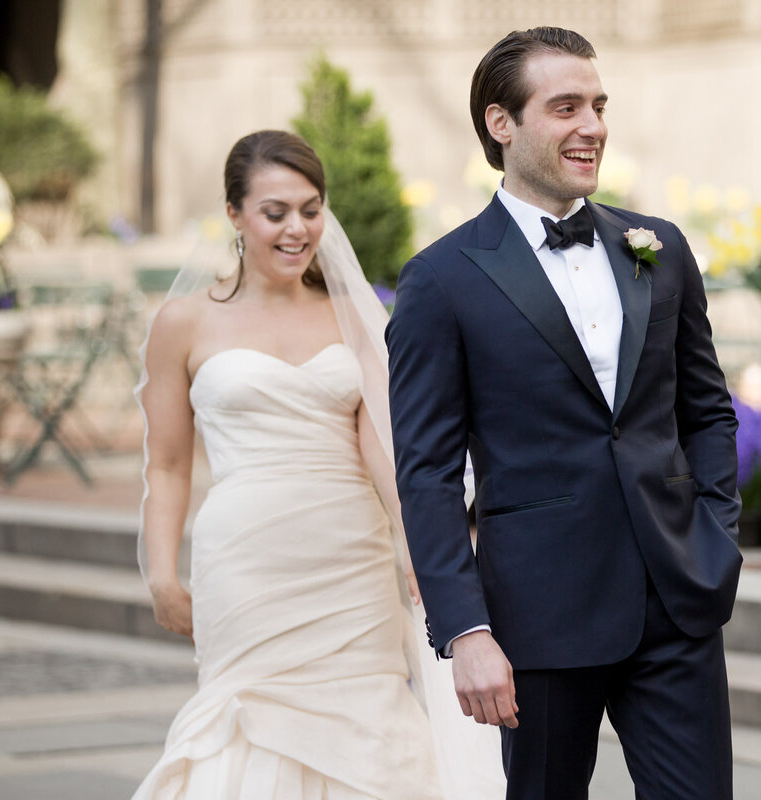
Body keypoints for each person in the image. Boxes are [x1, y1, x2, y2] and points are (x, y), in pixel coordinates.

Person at [387, 28, 742, 800]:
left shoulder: (660, 248)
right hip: (538, 618)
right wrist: (466, 630)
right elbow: (427, 473)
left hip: (676, 600)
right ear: (500, 123)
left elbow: (707, 411)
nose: (593, 126)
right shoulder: (441, 281)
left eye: (599, 105)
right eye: (566, 107)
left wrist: (716, 531)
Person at [132, 130, 503, 799]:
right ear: (235, 215)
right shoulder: (183, 324)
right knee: (245, 721)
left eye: (310, 208)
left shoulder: (351, 317)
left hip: (349, 565)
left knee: (369, 727)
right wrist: (160, 573)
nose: (297, 228)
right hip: (244, 565)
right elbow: (166, 465)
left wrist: (424, 551)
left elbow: (385, 451)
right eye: (276, 212)